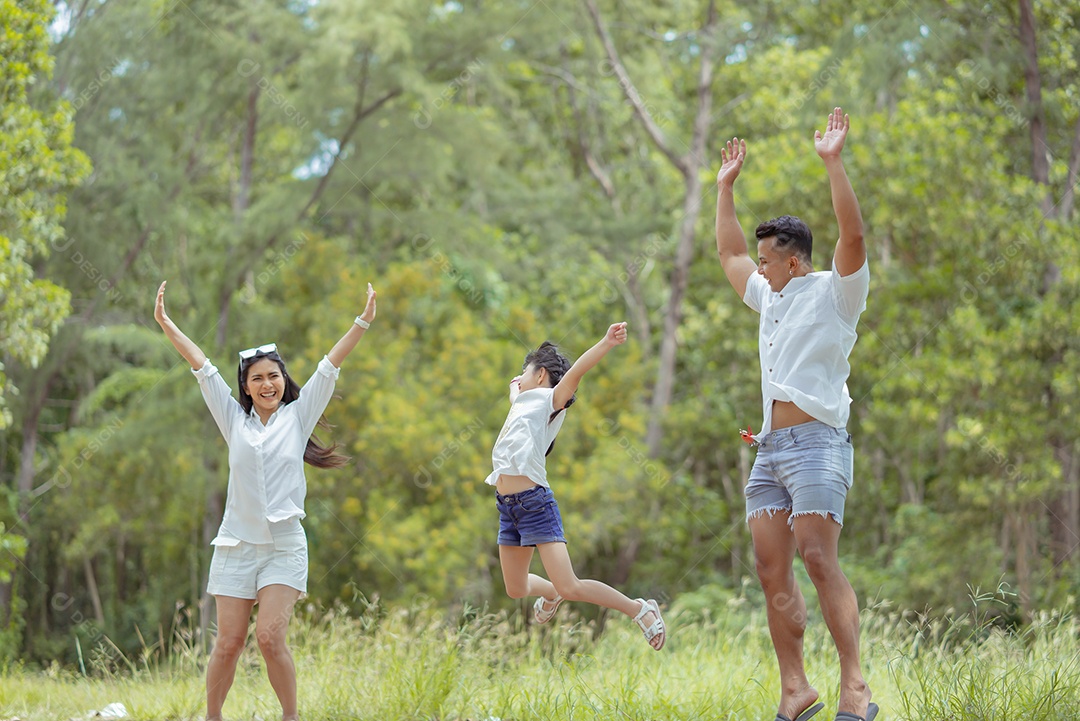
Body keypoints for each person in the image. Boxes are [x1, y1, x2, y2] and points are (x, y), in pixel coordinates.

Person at [714, 108, 877, 721]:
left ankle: (854, 686)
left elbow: (854, 239)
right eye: (759, 260)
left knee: (817, 557)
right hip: (770, 452)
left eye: (767, 259)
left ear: (796, 261)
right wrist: (725, 189)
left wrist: (833, 163)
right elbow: (729, 253)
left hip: (819, 444)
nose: (756, 267)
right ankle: (794, 688)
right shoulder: (768, 297)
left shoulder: (835, 294)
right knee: (768, 564)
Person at [154, 280, 376, 721]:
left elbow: (330, 365)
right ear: (247, 387)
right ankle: (212, 717)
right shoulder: (233, 420)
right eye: (257, 378)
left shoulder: (299, 414)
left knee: (270, 639)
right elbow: (200, 365)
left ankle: (290, 717)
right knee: (229, 643)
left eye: (274, 375)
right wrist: (165, 322)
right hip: (236, 544)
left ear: (283, 380)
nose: (267, 383)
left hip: (283, 547)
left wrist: (362, 321)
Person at [487, 324, 666, 650]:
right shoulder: (522, 401)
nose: (518, 377)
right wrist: (516, 386)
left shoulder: (548, 400)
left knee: (570, 585)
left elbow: (575, 374)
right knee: (515, 588)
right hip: (507, 506)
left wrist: (606, 342)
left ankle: (639, 608)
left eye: (523, 371)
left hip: (533, 503)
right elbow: (515, 392)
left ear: (541, 375)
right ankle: (550, 592)